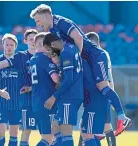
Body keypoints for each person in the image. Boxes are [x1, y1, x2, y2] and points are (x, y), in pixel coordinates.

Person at [30, 4, 131, 133]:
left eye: (38, 20)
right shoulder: (52, 30)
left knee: (103, 87)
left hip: (95, 56)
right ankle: (102, 127)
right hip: (86, 60)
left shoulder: (61, 22)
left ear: (45, 16)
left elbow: (77, 37)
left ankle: (122, 117)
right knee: (94, 89)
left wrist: (75, 57)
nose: (38, 24)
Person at [43, 32, 83, 146]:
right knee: (55, 128)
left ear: (53, 44)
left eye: (48, 49)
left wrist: (53, 97)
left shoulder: (66, 52)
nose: (49, 52)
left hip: (70, 96)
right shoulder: (72, 47)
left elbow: (69, 79)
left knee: (66, 133)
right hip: (69, 95)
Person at [30, 32, 59, 146]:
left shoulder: (33, 59)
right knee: (48, 139)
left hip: (36, 102)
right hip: (47, 101)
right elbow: (56, 79)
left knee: (47, 138)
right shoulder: (45, 59)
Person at [0, 34, 22, 146]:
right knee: (0, 130)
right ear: (3, 45)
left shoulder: (20, 62)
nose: (9, 47)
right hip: (0, 102)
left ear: (15, 46)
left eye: (11, 45)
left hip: (16, 102)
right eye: (7, 44)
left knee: (14, 133)